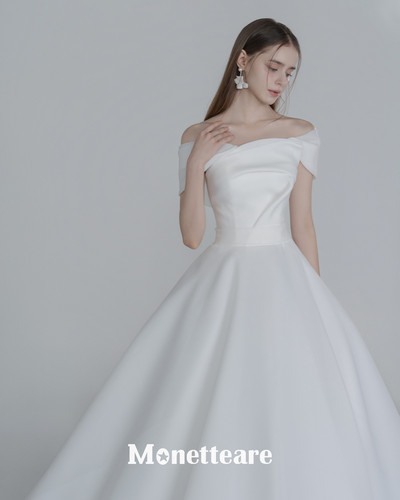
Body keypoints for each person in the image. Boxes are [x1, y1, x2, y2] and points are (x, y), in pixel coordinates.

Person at [25, 17, 400, 500]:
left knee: (294, 398)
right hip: (224, 276)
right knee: (212, 395)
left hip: (285, 276)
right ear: (243, 60)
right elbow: (191, 236)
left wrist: (318, 306)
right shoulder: (197, 135)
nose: (281, 81)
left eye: (290, 72)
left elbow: (304, 224)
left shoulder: (300, 133)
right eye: (273, 66)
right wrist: (198, 161)